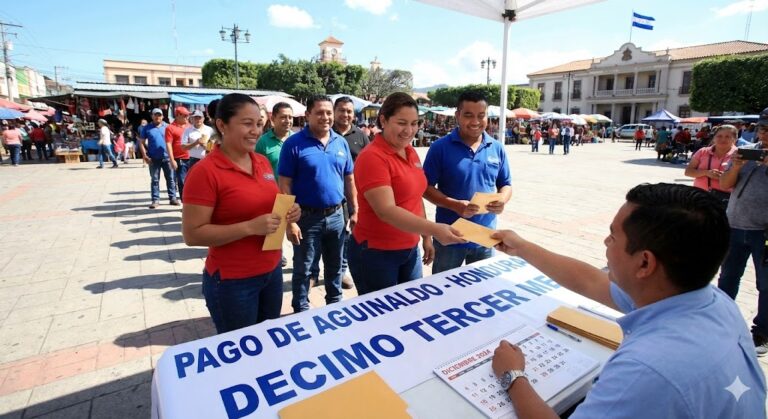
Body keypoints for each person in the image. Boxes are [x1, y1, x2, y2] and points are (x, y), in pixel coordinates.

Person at [490, 183, 766, 418]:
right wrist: (522, 247)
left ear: (645, 263)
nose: (605, 242)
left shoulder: (646, 371)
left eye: (613, 236)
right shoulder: (712, 300)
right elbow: (590, 281)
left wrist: (512, 376)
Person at [182, 93, 300, 333]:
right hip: (233, 282)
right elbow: (193, 235)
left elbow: (265, 202)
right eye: (247, 123)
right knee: (243, 350)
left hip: (271, 271)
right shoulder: (205, 172)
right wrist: (249, 227)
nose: (256, 131)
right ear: (222, 125)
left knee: (269, 341)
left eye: (259, 124)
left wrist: (288, 212)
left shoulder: (262, 162)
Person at [348, 92, 464, 294]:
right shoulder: (372, 157)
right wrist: (435, 229)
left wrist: (426, 236)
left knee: (413, 307)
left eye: (414, 123)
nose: (409, 130)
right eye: (402, 123)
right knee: (383, 312)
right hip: (376, 253)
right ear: (383, 120)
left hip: (409, 249)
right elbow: (386, 211)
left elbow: (415, 197)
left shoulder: (410, 151)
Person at [278, 95, 357, 313]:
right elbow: (284, 184)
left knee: (335, 266)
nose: (326, 117)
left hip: (336, 216)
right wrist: (289, 223)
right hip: (305, 218)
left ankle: (335, 306)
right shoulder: (294, 144)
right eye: (320, 113)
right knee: (304, 268)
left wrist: (355, 210)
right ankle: (301, 309)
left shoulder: (340, 142)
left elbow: (349, 179)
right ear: (308, 115)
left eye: (329, 113)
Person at [423, 90, 512, 273]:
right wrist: (454, 205)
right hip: (450, 235)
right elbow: (425, 188)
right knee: (444, 287)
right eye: (468, 115)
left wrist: (502, 200)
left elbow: (506, 184)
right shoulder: (440, 148)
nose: (475, 121)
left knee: (483, 286)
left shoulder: (497, 148)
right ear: (457, 116)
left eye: (481, 115)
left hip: (485, 236)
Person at [717, 109, 768, 356]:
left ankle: (762, 333)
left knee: (765, 283)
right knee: (728, 277)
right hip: (735, 225)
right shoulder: (744, 151)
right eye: (762, 129)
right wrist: (736, 166)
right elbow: (725, 184)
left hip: (764, 232)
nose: (764, 134)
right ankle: (721, 321)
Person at [332, 96, 370, 290]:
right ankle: (319, 271)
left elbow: (371, 162)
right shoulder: (326, 133)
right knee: (330, 236)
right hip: (332, 195)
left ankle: (342, 270)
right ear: (334, 111)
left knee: (348, 235)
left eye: (349, 111)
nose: (345, 114)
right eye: (341, 110)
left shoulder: (361, 136)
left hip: (355, 195)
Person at [684, 124, 737, 208]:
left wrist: (725, 177)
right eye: (719, 136)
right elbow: (688, 172)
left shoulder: (738, 155)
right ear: (714, 138)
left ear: (734, 139)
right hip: (699, 196)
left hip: (725, 200)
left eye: (727, 136)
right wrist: (706, 173)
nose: (723, 139)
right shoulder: (703, 152)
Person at [139, 108, 178, 209]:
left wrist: (173, 156)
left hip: (167, 157)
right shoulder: (146, 128)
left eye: (159, 115)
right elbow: (141, 143)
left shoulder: (168, 127)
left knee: (171, 179)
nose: (157, 117)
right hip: (153, 159)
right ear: (152, 116)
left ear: (162, 116)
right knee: (155, 180)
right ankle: (155, 200)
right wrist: (145, 156)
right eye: (155, 115)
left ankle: (173, 198)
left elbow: (175, 141)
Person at [166, 106, 191, 201]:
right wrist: (172, 160)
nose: (187, 117)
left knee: (193, 181)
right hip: (180, 159)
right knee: (182, 181)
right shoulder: (170, 128)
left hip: (192, 158)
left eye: (187, 115)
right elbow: (168, 144)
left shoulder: (190, 126)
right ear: (177, 115)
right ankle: (185, 202)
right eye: (185, 115)